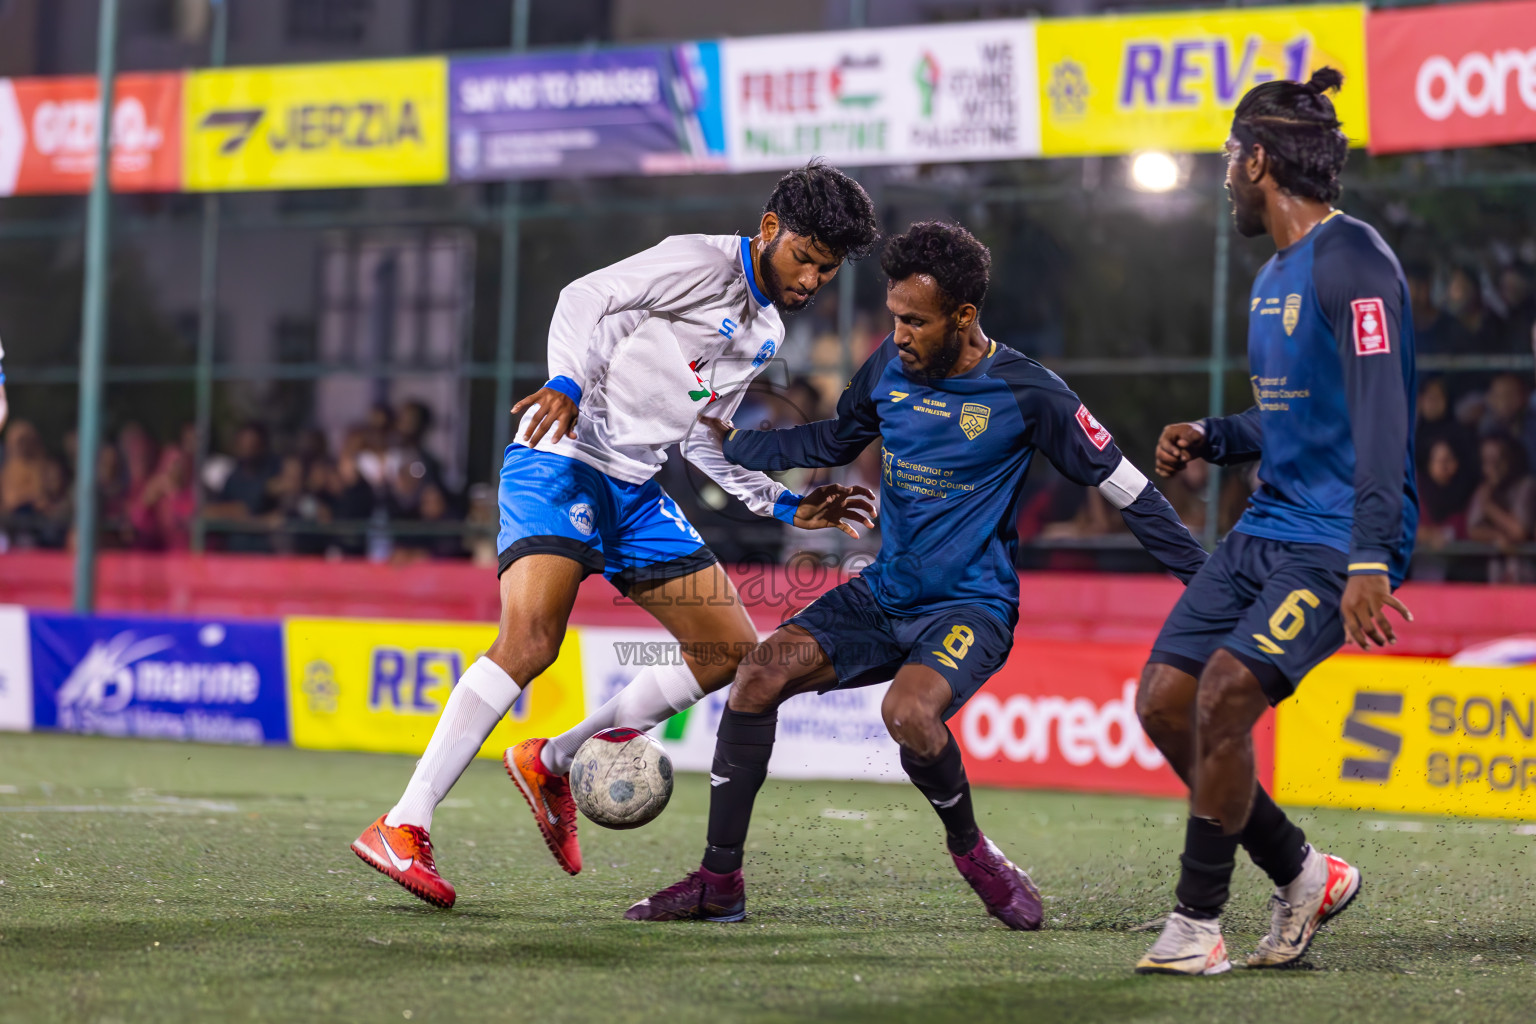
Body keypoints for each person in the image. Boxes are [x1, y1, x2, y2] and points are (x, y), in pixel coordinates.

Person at [624, 222, 1207, 926]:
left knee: (907, 713)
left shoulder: (1031, 394)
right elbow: (838, 437)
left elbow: (1132, 494)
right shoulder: (889, 368)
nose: (897, 333)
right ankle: (720, 883)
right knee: (757, 677)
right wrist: (741, 442)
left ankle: (974, 854)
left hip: (971, 608)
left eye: (914, 321)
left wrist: (1208, 586)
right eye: (895, 315)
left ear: (964, 317)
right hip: (884, 594)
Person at [351, 161, 881, 908]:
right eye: (806, 258)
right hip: (563, 458)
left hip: (635, 489)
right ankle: (403, 823)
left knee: (729, 650)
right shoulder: (697, 260)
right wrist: (565, 379)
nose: (812, 279)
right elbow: (583, 295)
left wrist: (784, 507)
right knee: (531, 641)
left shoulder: (763, 331)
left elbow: (702, 438)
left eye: (827, 270)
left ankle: (554, 760)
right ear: (770, 229)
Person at [1135, 68, 1417, 976]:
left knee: (1223, 697)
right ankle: (1302, 872)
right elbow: (1299, 420)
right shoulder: (1269, 278)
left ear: (1257, 159)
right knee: (1164, 704)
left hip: (1337, 542)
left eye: (1227, 157)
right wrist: (1216, 436)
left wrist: (1373, 554)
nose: (1222, 175)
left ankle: (1195, 924)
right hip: (1265, 529)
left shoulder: (1357, 262)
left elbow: (1381, 417)